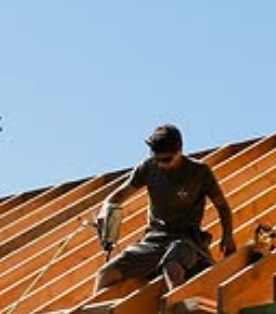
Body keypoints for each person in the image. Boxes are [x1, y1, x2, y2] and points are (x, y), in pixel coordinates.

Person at [95, 124, 236, 293]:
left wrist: (228, 235)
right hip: (154, 240)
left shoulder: (199, 172)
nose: (162, 165)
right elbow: (117, 197)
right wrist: (106, 209)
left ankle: (175, 308)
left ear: (180, 151)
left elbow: (222, 206)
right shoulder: (148, 168)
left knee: (172, 265)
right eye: (157, 159)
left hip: (187, 240)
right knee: (107, 273)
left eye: (167, 160)